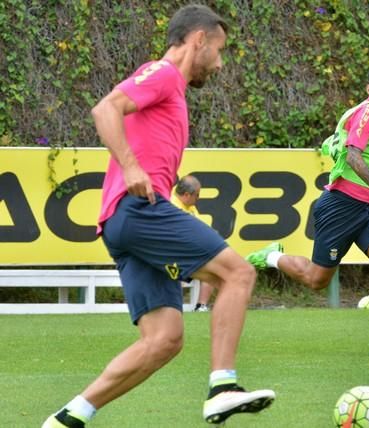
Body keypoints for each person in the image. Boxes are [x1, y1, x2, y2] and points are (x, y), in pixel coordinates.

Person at [42, 5, 274, 427]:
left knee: (164, 339)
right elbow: (105, 109)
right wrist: (131, 166)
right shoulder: (163, 73)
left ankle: (67, 418)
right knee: (238, 274)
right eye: (218, 50)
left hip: (124, 223)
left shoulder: (173, 91)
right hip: (137, 212)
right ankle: (223, 387)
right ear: (198, 40)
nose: (220, 64)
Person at [246, 61, 369, 356]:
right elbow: (353, 155)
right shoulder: (367, 113)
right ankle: (271, 257)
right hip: (340, 206)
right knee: (317, 280)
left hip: (366, 208)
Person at [171, 174, 217, 312]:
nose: (198, 198)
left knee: (214, 265)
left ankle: (200, 306)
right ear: (186, 194)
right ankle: (173, 307)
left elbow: (200, 228)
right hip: (173, 255)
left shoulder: (189, 206)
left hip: (187, 254)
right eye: (197, 195)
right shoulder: (172, 206)